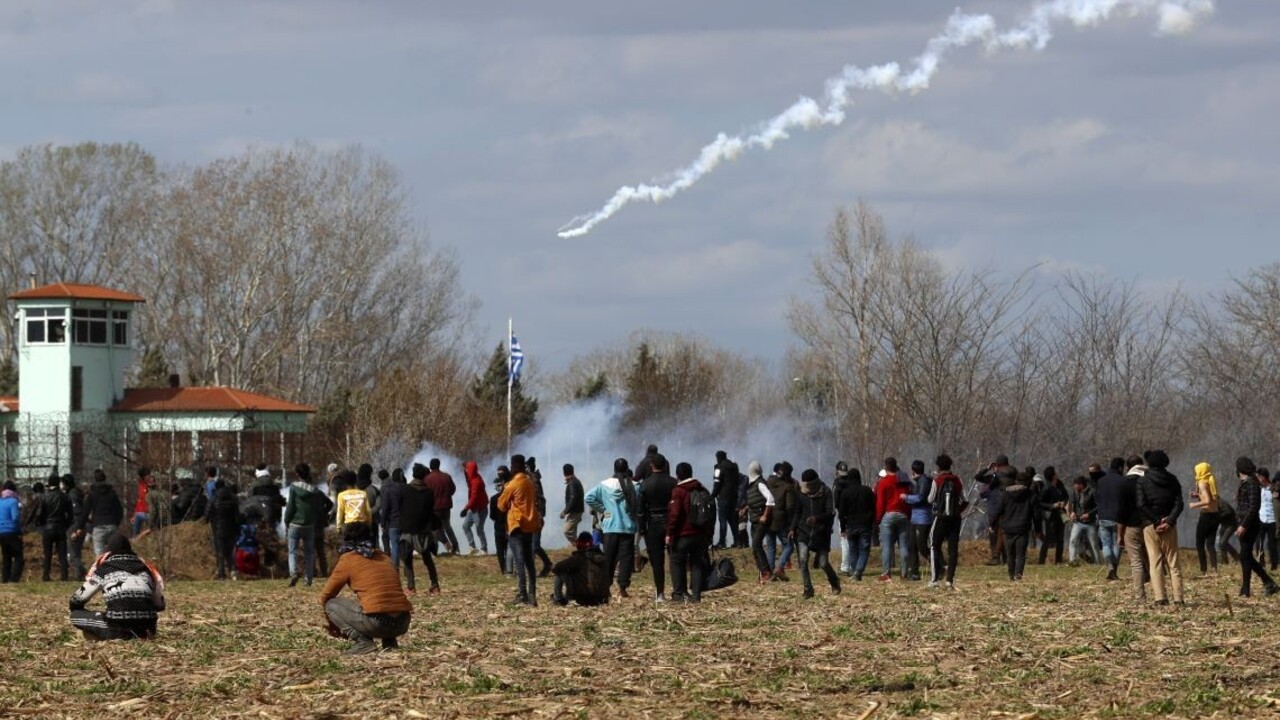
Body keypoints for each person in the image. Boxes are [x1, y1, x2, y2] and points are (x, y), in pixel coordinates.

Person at [320, 522, 412, 655]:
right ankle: (390, 643)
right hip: (403, 622)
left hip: (377, 624)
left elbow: (326, 595)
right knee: (382, 600)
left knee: (331, 604)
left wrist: (333, 624)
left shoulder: (348, 559)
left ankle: (363, 642)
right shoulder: (385, 557)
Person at [69, 534, 165, 640]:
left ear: (109, 551)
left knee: (75, 616)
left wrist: (74, 607)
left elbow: (78, 599)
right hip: (148, 629)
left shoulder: (105, 568)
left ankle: (110, 635)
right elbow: (159, 605)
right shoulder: (146, 569)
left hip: (117, 628)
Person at [1135, 450, 1184, 606]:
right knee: (1173, 562)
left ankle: (1160, 598)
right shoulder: (1173, 480)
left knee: (1154, 562)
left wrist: (1156, 521)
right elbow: (1179, 504)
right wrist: (1168, 521)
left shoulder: (1142, 481)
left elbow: (1141, 504)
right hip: (1170, 525)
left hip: (1150, 525)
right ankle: (1178, 598)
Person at [586, 459, 639, 600]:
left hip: (610, 528)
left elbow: (588, 497)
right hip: (627, 528)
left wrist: (604, 510)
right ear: (627, 468)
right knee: (626, 558)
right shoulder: (634, 486)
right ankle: (622, 587)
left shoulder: (604, 485)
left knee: (609, 558)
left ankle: (606, 587)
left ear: (614, 469)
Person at [497, 454, 542, 606]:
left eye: (512, 466)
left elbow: (501, 505)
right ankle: (532, 595)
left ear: (515, 467)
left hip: (516, 526)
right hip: (530, 526)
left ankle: (522, 594)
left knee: (519, 561)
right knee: (530, 562)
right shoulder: (530, 482)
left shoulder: (512, 485)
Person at [1231, 457, 1279, 598]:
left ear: (1240, 468)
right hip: (1244, 524)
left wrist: (1244, 526)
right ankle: (1266, 584)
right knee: (1246, 557)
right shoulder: (1245, 483)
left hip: (1250, 526)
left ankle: (1250, 588)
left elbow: (1253, 507)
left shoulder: (1252, 483)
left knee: (1245, 556)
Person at [666, 462, 712, 603]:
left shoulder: (678, 491)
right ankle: (696, 594)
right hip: (700, 534)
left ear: (678, 475)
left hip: (682, 534)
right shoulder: (702, 489)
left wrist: (669, 533)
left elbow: (674, 514)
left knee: (677, 562)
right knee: (697, 564)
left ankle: (680, 594)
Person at [794, 469, 840, 599]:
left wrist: (817, 519)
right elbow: (797, 512)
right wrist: (792, 528)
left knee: (823, 563)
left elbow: (831, 513)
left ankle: (834, 582)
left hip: (821, 533)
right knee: (803, 559)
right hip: (804, 531)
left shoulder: (826, 492)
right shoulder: (801, 494)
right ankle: (808, 589)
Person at [636, 456, 677, 599]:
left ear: (652, 466)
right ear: (665, 465)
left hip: (652, 524)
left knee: (657, 561)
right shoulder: (673, 482)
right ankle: (678, 591)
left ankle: (660, 593)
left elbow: (640, 510)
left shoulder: (645, 484)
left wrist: (642, 528)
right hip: (671, 523)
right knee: (675, 558)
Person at [990, 468, 1039, 581]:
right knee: (1020, 554)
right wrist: (1038, 529)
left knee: (1010, 554)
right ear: (1028, 482)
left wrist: (992, 524)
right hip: (1022, 528)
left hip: (1007, 529)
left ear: (1016, 481)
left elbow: (998, 511)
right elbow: (1036, 515)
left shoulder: (1005, 494)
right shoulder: (1031, 495)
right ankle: (1018, 575)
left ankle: (1011, 575)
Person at [927, 454, 968, 589]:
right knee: (953, 549)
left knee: (934, 546)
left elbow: (930, 499)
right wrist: (957, 510)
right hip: (955, 519)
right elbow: (965, 500)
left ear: (938, 467)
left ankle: (934, 580)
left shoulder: (937, 480)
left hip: (940, 518)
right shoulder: (957, 480)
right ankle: (950, 580)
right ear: (950, 466)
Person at [399, 464, 440, 595]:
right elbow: (430, 511)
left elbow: (401, 508)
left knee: (407, 559)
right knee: (428, 559)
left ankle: (411, 587)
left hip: (408, 529)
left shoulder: (405, 490)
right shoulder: (429, 492)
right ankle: (435, 585)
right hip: (424, 530)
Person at [875, 458, 911, 581]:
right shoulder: (904, 481)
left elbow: (880, 503)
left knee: (887, 546)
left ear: (886, 468)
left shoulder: (883, 483)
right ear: (896, 467)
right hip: (903, 514)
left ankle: (886, 573)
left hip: (889, 514)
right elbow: (908, 499)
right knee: (903, 546)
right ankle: (904, 573)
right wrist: (908, 515)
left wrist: (878, 518)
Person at [1120, 456, 1151, 601]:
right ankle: (1160, 595)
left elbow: (1121, 512)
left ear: (1128, 467)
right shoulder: (1150, 479)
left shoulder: (1125, 483)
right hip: (1151, 525)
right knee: (1153, 560)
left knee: (1136, 562)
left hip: (1132, 526)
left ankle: (1140, 597)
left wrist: (1120, 534)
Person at [552, 532, 610, 607]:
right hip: (602, 598)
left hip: (583, 599)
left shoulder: (579, 557)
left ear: (579, 543)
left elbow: (556, 568)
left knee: (561, 571)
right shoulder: (603, 558)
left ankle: (558, 599)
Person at [285, 463, 320, 588]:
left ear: (297, 474)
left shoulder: (293, 488)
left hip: (295, 523)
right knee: (309, 552)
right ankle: (308, 579)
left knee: (292, 551)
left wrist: (286, 520)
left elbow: (290, 507)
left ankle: (294, 572)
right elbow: (317, 508)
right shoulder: (314, 489)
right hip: (309, 524)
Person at [837, 468, 876, 581]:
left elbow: (841, 513)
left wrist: (843, 528)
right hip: (865, 525)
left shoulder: (845, 493)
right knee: (864, 549)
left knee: (853, 549)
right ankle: (858, 571)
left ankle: (855, 571)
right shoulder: (867, 491)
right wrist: (872, 521)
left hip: (851, 525)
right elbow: (874, 508)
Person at [33, 474, 73, 581]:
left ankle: (46, 576)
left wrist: (41, 524)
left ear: (49, 483)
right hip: (60, 527)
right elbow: (70, 516)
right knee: (62, 554)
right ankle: (64, 576)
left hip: (48, 527)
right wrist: (65, 526)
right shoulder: (65, 497)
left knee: (47, 554)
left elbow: (39, 514)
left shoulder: (44, 497)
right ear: (58, 483)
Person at [743, 460, 776, 583]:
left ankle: (767, 571)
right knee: (754, 547)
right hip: (755, 519)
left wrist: (765, 515)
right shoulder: (752, 486)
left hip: (761, 520)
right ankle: (762, 573)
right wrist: (746, 508)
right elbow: (755, 501)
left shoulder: (760, 484)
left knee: (757, 544)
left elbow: (770, 499)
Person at [1095, 458, 1127, 580]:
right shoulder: (1122, 481)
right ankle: (1114, 568)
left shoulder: (1101, 481)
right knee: (1118, 543)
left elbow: (1097, 498)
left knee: (1106, 544)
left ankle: (1109, 566)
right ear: (1120, 468)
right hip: (1117, 517)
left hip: (1103, 516)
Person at [977, 455, 1011, 565]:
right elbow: (978, 478)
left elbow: (978, 477)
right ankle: (1004, 558)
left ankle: (996, 557)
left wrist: (988, 469)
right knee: (1002, 533)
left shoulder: (994, 478)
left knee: (995, 534)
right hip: (1006, 508)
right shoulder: (1012, 476)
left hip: (995, 508)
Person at [1188, 461, 1220, 575]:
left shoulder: (1202, 483)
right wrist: (1197, 495)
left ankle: (1203, 570)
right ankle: (1214, 569)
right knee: (1210, 543)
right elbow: (1211, 497)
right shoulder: (1211, 480)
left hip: (1206, 515)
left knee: (1199, 543)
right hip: (1216, 514)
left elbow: (1207, 501)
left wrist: (1194, 504)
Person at [206, 478, 241, 580]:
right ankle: (233, 572)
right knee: (230, 551)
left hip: (218, 529)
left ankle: (221, 574)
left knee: (220, 552)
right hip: (231, 529)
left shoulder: (213, 498)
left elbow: (207, 514)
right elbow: (237, 516)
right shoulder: (233, 498)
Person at [83, 469, 124, 556]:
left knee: (100, 556)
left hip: (98, 526)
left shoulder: (92, 494)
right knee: (113, 554)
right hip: (112, 525)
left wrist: (89, 522)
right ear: (105, 478)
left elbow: (85, 511)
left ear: (95, 479)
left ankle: (102, 569)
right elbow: (119, 511)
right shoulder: (112, 493)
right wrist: (115, 523)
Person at [424, 458, 459, 555]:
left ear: (431, 466)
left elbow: (426, 494)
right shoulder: (447, 476)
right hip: (446, 506)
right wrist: (446, 496)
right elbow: (453, 489)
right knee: (447, 527)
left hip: (435, 508)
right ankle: (455, 547)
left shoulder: (428, 479)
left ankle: (435, 551)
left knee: (435, 530)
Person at [905, 460, 932, 580]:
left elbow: (921, 498)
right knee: (912, 545)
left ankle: (939, 565)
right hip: (914, 518)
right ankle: (914, 572)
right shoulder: (918, 482)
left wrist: (906, 497)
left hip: (923, 518)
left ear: (913, 471)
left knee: (921, 546)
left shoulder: (924, 481)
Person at [526, 457, 554, 576]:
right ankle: (545, 565)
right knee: (532, 545)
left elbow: (541, 500)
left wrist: (540, 515)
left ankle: (544, 566)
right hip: (531, 516)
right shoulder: (531, 481)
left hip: (536, 517)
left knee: (534, 545)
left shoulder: (534, 482)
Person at [1068, 475, 1102, 566]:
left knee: (1093, 543)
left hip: (1090, 522)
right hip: (1078, 522)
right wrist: (1072, 513)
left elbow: (1099, 506)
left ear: (1082, 485)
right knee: (1073, 540)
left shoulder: (1092, 492)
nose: (1075, 487)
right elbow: (1071, 504)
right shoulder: (1074, 492)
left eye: (1077, 485)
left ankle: (1098, 562)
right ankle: (1072, 561)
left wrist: (1089, 514)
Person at [1037, 468, 1068, 565]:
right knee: (1048, 539)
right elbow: (1040, 502)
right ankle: (1041, 561)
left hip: (1061, 514)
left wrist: (1064, 502)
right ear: (1052, 476)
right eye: (1055, 473)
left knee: (1060, 538)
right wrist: (1052, 505)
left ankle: (1058, 560)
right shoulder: (1046, 488)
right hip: (1051, 516)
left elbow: (1066, 496)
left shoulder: (1060, 484)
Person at [711, 451, 739, 549]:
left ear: (718, 457)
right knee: (732, 520)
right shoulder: (734, 467)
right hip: (734, 497)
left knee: (722, 520)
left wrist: (712, 496)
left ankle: (722, 542)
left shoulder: (719, 467)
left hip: (723, 497)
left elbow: (717, 483)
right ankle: (737, 541)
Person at [380, 468, 407, 570]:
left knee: (395, 546)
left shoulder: (388, 490)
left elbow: (385, 508)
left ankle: (395, 567)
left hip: (393, 523)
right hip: (405, 522)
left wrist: (383, 523)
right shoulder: (406, 489)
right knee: (405, 545)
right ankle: (407, 566)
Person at [461, 461, 489, 555]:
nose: (465, 470)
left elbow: (474, 497)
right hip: (473, 508)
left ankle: (484, 549)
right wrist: (465, 470)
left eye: (467, 469)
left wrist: (465, 509)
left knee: (479, 529)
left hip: (480, 509)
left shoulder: (476, 481)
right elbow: (468, 481)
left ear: (470, 470)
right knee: (466, 526)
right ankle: (472, 546)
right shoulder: (473, 478)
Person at [63, 473, 86, 580]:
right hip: (78, 525)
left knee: (73, 555)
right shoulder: (77, 492)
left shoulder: (73, 495)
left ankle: (83, 572)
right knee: (76, 553)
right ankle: (79, 576)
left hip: (75, 526)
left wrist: (76, 529)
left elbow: (77, 512)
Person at [490, 466, 512, 575]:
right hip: (509, 525)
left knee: (500, 550)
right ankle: (509, 569)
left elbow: (492, 515)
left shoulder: (494, 499)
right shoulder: (511, 496)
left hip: (499, 526)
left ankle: (504, 569)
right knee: (509, 548)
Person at [0, 480, 22, 582]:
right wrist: (19, 531)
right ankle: (14, 579)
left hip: (2, 532)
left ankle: (5, 578)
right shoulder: (14, 501)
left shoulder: (1, 501)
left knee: (6, 557)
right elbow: (15, 517)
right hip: (12, 531)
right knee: (18, 557)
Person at [560, 464, 585, 546]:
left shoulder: (572, 483)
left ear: (564, 473)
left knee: (567, 531)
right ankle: (578, 549)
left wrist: (565, 511)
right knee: (573, 532)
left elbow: (572, 497)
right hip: (577, 511)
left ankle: (580, 546)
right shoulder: (576, 481)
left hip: (575, 512)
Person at [1258, 468, 1278, 571]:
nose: (1257, 478)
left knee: (1271, 544)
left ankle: (1274, 565)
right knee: (1259, 542)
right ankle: (1261, 563)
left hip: (1272, 519)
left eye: (1258, 476)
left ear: (1263, 477)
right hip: (1261, 518)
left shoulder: (1273, 488)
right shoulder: (1258, 489)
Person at [1216, 501, 1241, 567]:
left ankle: (1237, 557)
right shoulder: (1213, 504)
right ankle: (1225, 562)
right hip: (1224, 525)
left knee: (1223, 542)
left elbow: (1228, 511)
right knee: (1222, 544)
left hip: (1231, 525)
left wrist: (1217, 516)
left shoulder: (1221, 503)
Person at [131, 468, 154, 538]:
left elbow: (146, 502)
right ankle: (136, 537)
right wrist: (135, 514)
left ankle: (135, 537)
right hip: (146, 511)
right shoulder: (142, 486)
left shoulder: (148, 487)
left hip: (150, 512)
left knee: (138, 516)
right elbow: (140, 501)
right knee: (137, 516)